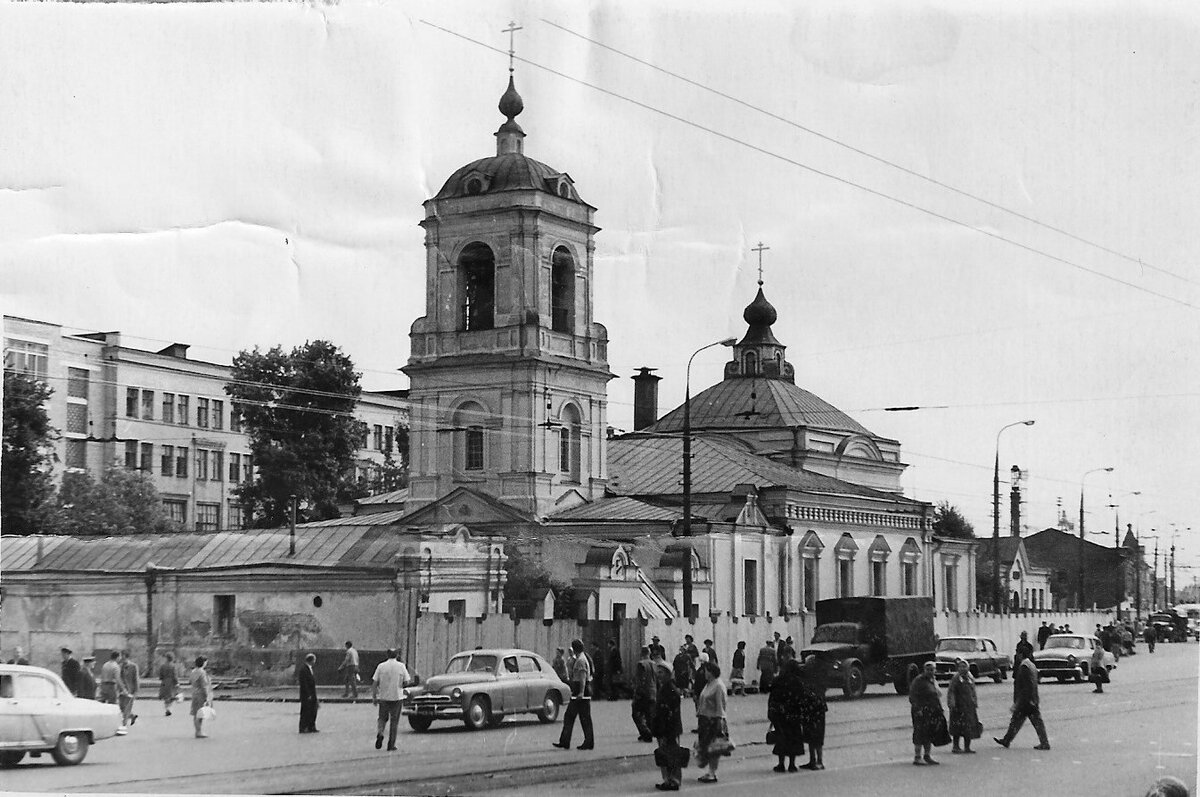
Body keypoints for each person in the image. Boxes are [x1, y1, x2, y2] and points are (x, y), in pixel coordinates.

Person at [995, 652, 1050, 750]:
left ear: (1020, 655)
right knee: (1022, 721)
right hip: (1032, 699)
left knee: (1019, 721)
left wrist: (1018, 702)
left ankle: (1007, 740)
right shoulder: (1031, 665)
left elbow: (1025, 686)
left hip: (1026, 701)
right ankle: (1007, 740)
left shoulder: (1024, 667)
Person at [651, 647, 684, 791]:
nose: (658, 674)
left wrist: (665, 729)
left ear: (668, 674)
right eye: (657, 672)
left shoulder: (671, 690)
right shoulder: (663, 688)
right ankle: (667, 780)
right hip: (662, 728)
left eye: (661, 672)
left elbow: (672, 712)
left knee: (672, 755)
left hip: (669, 729)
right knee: (665, 756)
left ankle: (674, 780)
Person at [767, 649, 805, 773]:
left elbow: (772, 697)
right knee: (794, 738)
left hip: (780, 714)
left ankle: (781, 764)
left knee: (781, 738)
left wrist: (771, 713)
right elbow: (801, 698)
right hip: (793, 715)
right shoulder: (798, 682)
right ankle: (792, 765)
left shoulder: (778, 680)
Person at [554, 638, 594, 750]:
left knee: (582, 718)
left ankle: (587, 742)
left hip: (581, 691)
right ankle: (565, 741)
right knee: (571, 716)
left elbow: (582, 677)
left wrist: (581, 692)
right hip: (580, 690)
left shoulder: (581, 660)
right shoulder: (582, 658)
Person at [694, 660, 731, 783]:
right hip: (704, 720)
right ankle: (710, 771)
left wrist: (720, 721)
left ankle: (712, 772)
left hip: (714, 720)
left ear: (711, 672)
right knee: (706, 746)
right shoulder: (709, 684)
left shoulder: (718, 685)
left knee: (713, 747)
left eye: (706, 671)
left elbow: (720, 705)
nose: (704, 673)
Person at [909, 661, 948, 765]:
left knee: (929, 733)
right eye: (928, 669)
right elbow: (913, 696)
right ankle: (917, 757)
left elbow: (936, 695)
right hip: (921, 711)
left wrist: (940, 708)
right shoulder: (918, 681)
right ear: (924, 670)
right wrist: (918, 710)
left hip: (932, 710)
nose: (930, 671)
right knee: (919, 734)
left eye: (932, 669)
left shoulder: (933, 680)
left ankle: (927, 756)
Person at [371, 648, 409, 751]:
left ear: (387, 655)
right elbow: (406, 682)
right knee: (394, 721)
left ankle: (380, 732)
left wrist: (374, 697)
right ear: (396, 655)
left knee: (382, 718)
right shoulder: (401, 666)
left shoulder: (381, 666)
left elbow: (374, 683)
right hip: (397, 697)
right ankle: (391, 744)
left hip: (384, 697)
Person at [797, 655, 827, 770]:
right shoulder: (820, 676)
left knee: (811, 735)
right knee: (816, 736)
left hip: (811, 708)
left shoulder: (808, 677)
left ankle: (815, 761)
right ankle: (817, 761)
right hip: (818, 708)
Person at [947, 658, 980, 753]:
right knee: (957, 727)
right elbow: (951, 691)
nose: (962, 668)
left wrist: (974, 702)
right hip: (958, 706)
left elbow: (973, 691)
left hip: (969, 707)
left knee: (968, 727)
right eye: (960, 666)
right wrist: (952, 703)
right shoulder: (956, 678)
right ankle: (955, 746)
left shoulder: (970, 678)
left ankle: (967, 747)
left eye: (964, 666)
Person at [632, 646, 656, 742]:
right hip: (653, 692)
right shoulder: (654, 663)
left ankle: (646, 732)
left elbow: (640, 680)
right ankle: (648, 732)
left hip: (643, 692)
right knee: (648, 714)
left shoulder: (641, 664)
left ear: (641, 653)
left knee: (636, 714)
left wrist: (637, 693)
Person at [190, 656, 212, 738]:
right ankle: (199, 731)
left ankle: (197, 730)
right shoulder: (202, 672)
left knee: (196, 713)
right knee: (201, 713)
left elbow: (190, 681)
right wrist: (207, 696)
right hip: (201, 694)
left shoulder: (193, 671)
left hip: (194, 693)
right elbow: (204, 685)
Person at [298, 652, 319, 733]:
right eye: (314, 660)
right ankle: (303, 727)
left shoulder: (308, 668)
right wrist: (308, 694)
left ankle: (311, 726)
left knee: (313, 710)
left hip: (312, 693)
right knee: (305, 711)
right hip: (307, 694)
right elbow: (304, 683)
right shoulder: (303, 669)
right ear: (311, 660)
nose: (315, 662)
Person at [119, 650, 140, 728]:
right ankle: (132, 716)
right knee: (121, 707)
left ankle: (124, 725)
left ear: (127, 657)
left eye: (123, 656)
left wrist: (136, 691)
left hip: (130, 689)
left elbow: (136, 679)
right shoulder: (120, 666)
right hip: (122, 690)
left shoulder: (134, 666)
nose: (122, 658)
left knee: (127, 707)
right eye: (121, 656)